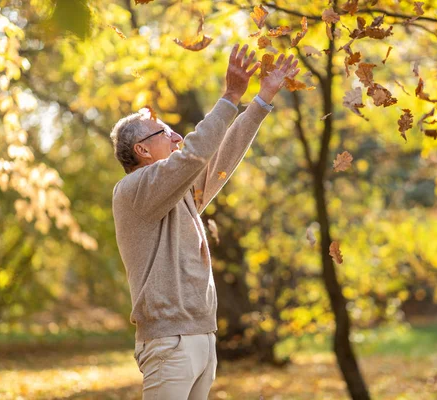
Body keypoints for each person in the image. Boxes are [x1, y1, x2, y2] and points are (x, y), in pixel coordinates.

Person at [110, 43, 299, 399]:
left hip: (201, 338)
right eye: (166, 133)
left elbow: (218, 158)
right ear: (143, 150)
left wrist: (261, 101)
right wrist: (229, 96)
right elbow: (196, 152)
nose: (177, 138)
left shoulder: (178, 190)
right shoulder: (133, 191)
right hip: (169, 342)